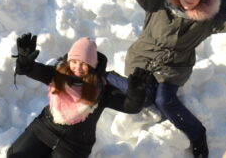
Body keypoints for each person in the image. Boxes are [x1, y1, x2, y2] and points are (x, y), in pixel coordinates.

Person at [110, 0, 226, 157]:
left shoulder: (206, 20)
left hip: (174, 68)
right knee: (145, 95)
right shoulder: (158, 4)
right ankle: (106, 77)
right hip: (142, 58)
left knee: (164, 100)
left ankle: (197, 135)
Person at [8, 34, 149, 157]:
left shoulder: (102, 89)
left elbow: (130, 107)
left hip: (74, 146)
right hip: (44, 129)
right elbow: (31, 70)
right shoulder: (59, 74)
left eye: (84, 64)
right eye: (74, 62)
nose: (77, 68)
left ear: (92, 65)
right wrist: (24, 61)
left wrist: (137, 92)